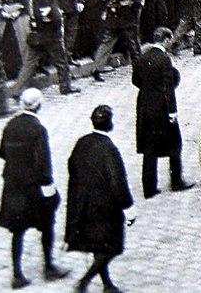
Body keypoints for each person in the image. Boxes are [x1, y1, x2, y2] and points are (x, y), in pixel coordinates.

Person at [0, 88, 69, 289]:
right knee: (47, 225)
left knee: (17, 231)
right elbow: (44, 163)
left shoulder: (10, 125)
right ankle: (48, 266)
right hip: (33, 187)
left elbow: (2, 152)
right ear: (38, 105)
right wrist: (50, 189)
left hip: (13, 186)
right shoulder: (38, 129)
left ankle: (17, 274)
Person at [66, 105, 135, 293]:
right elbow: (118, 183)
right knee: (111, 247)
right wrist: (129, 208)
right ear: (109, 124)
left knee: (99, 245)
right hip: (104, 207)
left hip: (83, 204)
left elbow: (72, 167)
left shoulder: (82, 142)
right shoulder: (109, 149)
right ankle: (83, 282)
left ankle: (107, 284)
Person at [133, 27, 194, 198]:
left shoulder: (142, 57)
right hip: (162, 108)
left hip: (145, 107)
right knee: (175, 144)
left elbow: (135, 81)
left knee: (149, 148)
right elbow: (169, 89)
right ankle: (176, 181)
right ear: (166, 40)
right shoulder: (164, 60)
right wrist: (172, 112)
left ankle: (149, 187)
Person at [13, 0, 80, 95]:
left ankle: (17, 90)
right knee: (61, 62)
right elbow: (56, 17)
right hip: (51, 35)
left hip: (36, 34)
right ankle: (65, 87)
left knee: (29, 64)